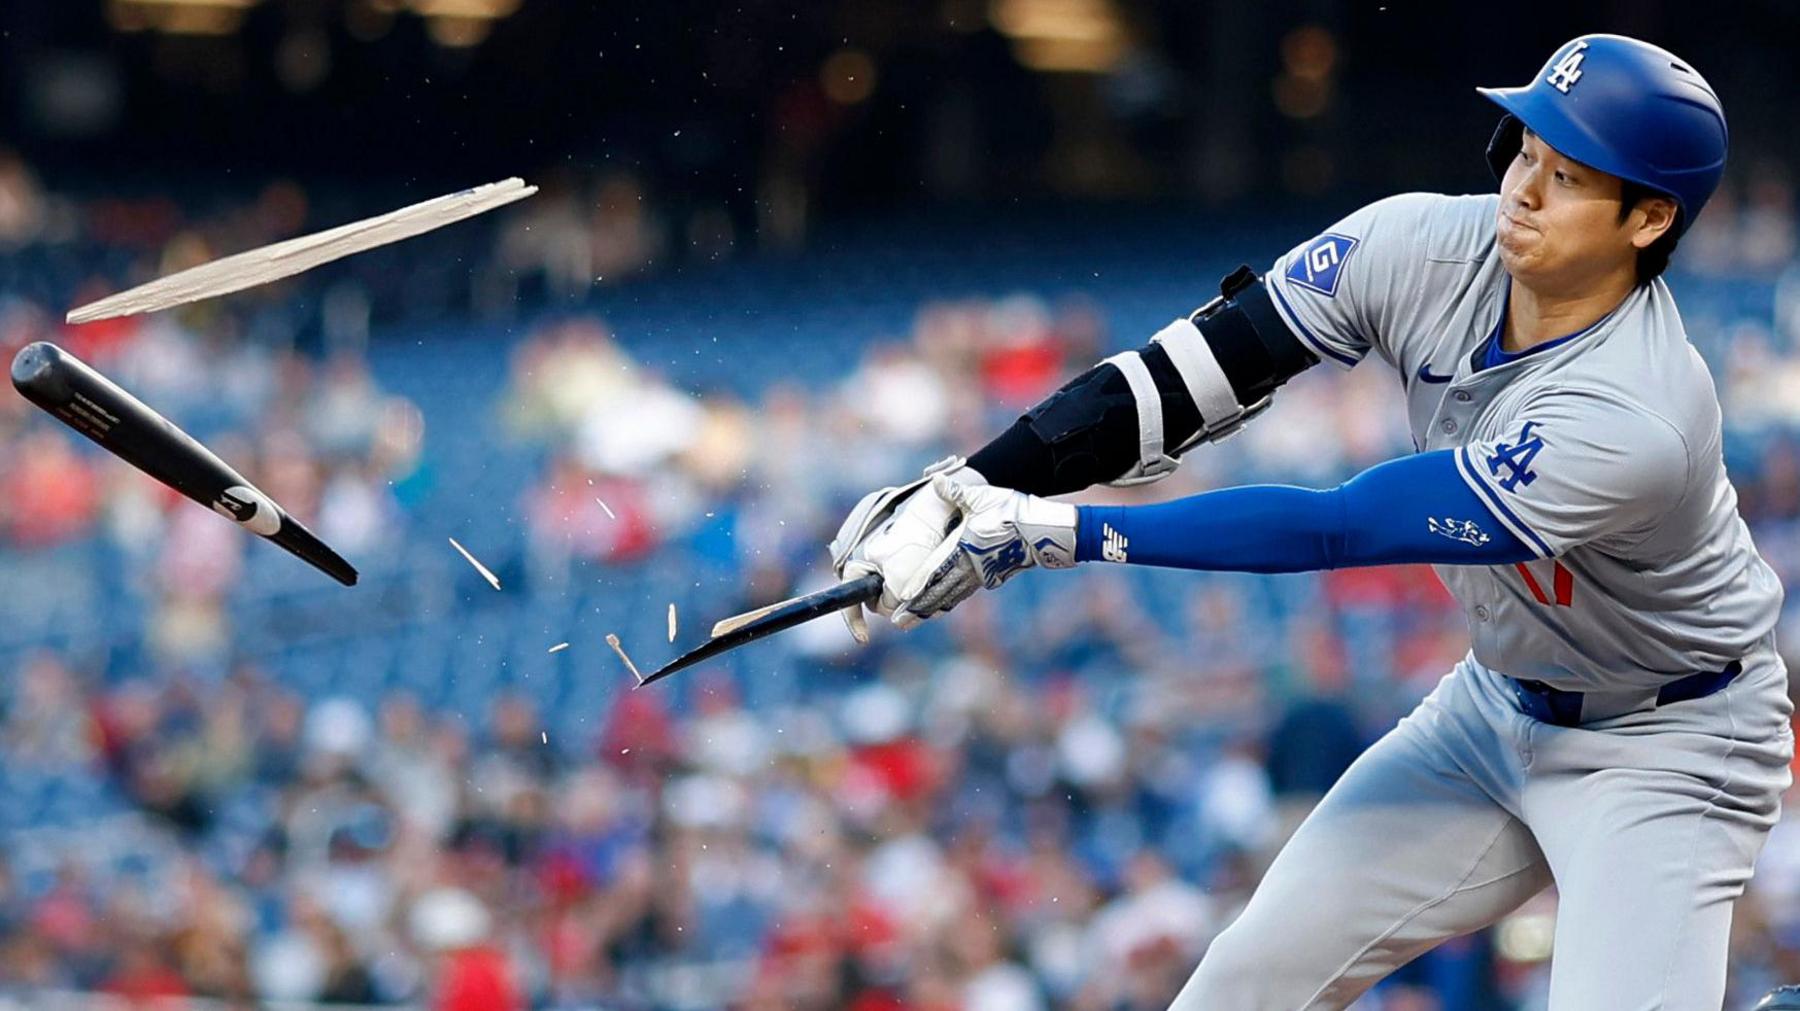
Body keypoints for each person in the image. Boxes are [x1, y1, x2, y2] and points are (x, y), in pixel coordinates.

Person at [832, 34, 1790, 1010]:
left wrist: (1065, 532)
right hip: (1494, 707)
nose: (1525, 187)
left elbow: (1340, 528)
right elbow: (1191, 376)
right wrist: (969, 485)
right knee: (1234, 994)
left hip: (1670, 743)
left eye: (1571, 175)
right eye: (1528, 148)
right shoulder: (1419, 243)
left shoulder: (1635, 416)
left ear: (1650, 216)